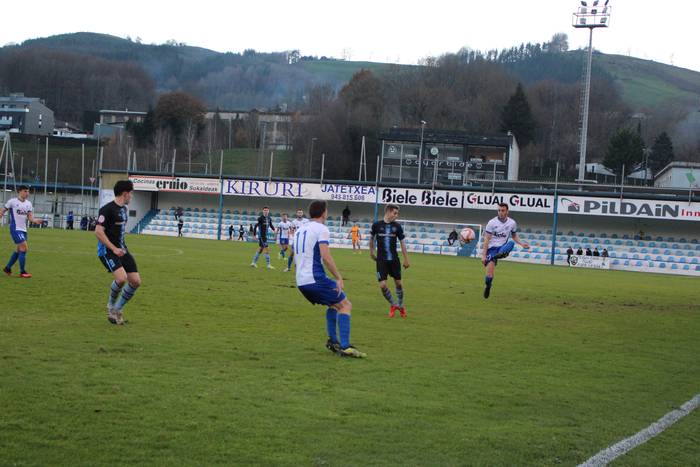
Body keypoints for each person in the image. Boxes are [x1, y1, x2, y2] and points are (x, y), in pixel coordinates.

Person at [295, 200, 365, 358]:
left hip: (301, 280)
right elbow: (326, 256)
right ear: (323, 212)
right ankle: (345, 347)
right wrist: (338, 277)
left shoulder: (301, 228)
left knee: (334, 305)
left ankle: (333, 342)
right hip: (314, 279)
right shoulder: (321, 229)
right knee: (346, 305)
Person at [95, 180, 142, 325]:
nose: (132, 197)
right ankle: (110, 307)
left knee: (135, 281)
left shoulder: (124, 210)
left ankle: (118, 308)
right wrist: (114, 248)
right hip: (107, 251)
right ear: (125, 193)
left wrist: (120, 249)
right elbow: (98, 232)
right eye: (131, 193)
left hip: (122, 249)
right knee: (121, 279)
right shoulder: (106, 210)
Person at [480, 203, 530, 299]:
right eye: (499, 210)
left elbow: (514, 236)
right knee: (489, 274)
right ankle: (488, 286)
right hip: (492, 249)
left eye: (502, 210)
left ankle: (500, 254)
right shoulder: (491, 223)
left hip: (502, 247)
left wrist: (522, 244)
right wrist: (483, 255)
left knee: (511, 243)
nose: (500, 212)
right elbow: (486, 240)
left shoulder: (512, 223)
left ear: (507, 211)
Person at [370, 204, 410, 318]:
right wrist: (371, 252)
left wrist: (406, 259)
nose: (396, 216)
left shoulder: (397, 227)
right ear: (388, 211)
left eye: (397, 213)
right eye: (395, 213)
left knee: (398, 283)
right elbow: (371, 238)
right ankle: (394, 304)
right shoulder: (376, 225)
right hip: (381, 260)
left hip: (394, 260)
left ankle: (401, 306)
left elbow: (402, 243)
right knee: (382, 285)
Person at [1, 185, 43, 278]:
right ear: (19, 192)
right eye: (25, 191)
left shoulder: (28, 204)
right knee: (24, 248)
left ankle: (7, 268)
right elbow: (3, 210)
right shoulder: (12, 202)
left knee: (19, 249)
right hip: (15, 229)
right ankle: (22, 272)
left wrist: (35, 220)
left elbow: (30, 217)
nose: (27, 193)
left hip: (23, 229)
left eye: (28, 191)